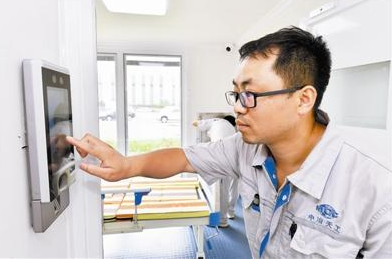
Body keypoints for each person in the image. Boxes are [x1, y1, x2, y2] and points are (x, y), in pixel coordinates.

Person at [66, 26, 392, 258]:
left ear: (304, 99)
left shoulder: (376, 188)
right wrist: (127, 165)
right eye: (236, 93)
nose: (237, 106)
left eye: (250, 94)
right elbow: (183, 157)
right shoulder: (244, 147)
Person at [193, 115, 239, 227]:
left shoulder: (215, 121)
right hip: (236, 157)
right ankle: (231, 212)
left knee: (222, 190)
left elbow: (195, 123)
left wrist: (202, 122)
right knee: (234, 186)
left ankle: (222, 221)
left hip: (221, 158)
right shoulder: (233, 129)